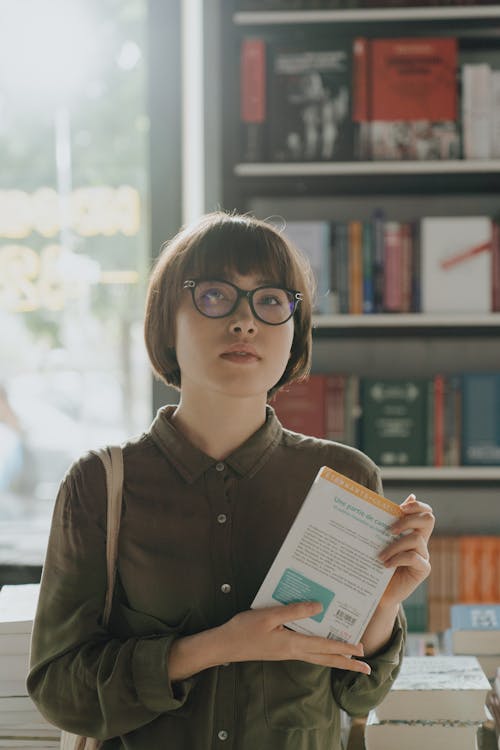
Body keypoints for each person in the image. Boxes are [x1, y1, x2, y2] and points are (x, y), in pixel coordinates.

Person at [27, 212, 434, 749]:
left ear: (295, 332)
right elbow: (59, 689)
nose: (245, 323)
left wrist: (384, 604)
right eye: (214, 296)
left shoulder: (344, 478)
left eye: (269, 301)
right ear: (165, 323)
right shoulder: (101, 484)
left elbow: (357, 696)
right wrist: (216, 646)